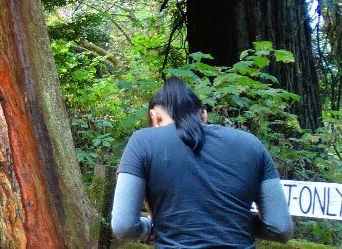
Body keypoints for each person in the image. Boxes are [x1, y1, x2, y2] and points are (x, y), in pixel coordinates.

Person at [111, 77, 293, 247]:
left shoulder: (143, 142)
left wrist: (151, 226)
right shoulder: (251, 144)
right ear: (203, 115)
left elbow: (123, 226)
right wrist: (233, 221)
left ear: (155, 116)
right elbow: (281, 228)